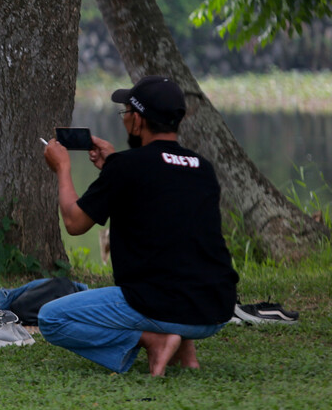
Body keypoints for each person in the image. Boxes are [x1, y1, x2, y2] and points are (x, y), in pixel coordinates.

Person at [38, 75, 239, 376]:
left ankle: (153, 340)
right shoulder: (202, 168)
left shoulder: (127, 168)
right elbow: (160, 195)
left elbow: (74, 222)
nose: (125, 120)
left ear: (138, 120)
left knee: (51, 319)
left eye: (126, 113)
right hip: (215, 310)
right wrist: (114, 167)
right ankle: (184, 345)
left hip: (159, 304)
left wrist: (63, 168)